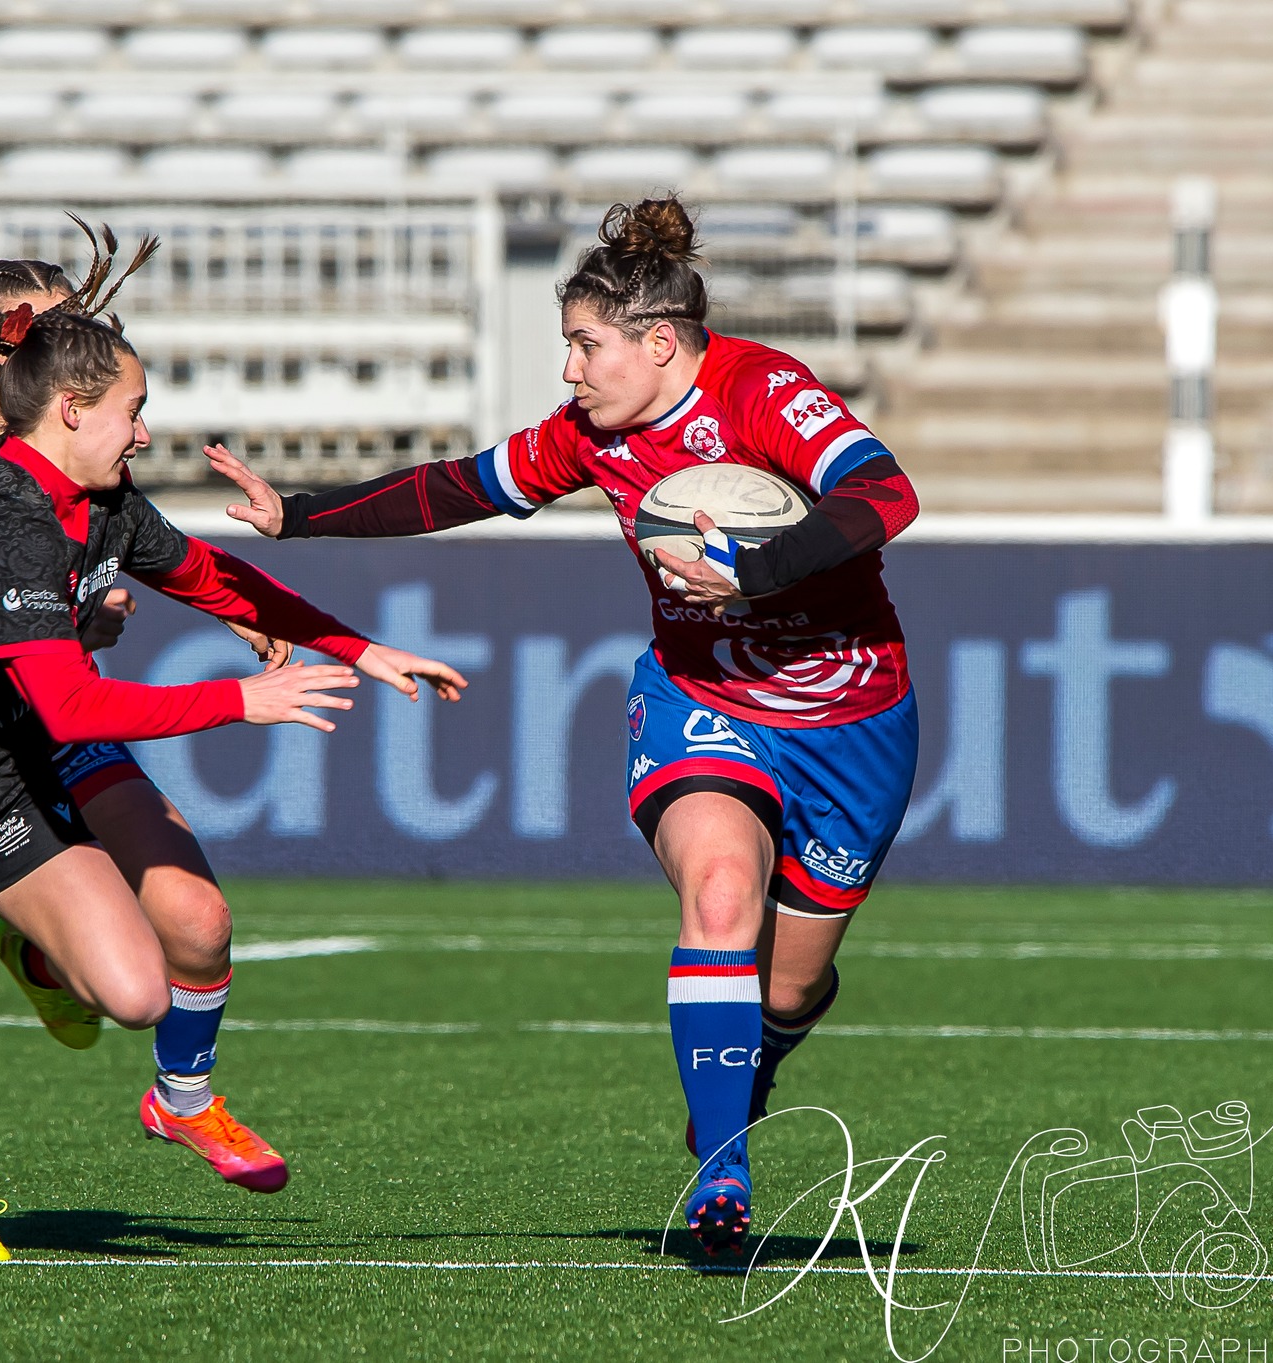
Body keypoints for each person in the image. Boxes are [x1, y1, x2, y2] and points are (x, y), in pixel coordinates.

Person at [202, 196, 920, 1257]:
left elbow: (884, 493)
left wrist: (756, 568)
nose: (570, 371)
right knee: (721, 892)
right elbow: (461, 486)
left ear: (660, 343)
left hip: (853, 720)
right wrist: (298, 513)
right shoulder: (587, 435)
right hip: (702, 701)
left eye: (586, 346)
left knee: (791, 983)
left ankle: (748, 1069)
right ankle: (723, 1172)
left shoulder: (761, 391)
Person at [0, 260, 467, 1261]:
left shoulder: (98, 491)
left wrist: (358, 647)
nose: (146, 433)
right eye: (135, 409)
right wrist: (239, 699)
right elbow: (60, 692)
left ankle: (147, 1060)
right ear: (57, 398)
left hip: (3, 775)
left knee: (145, 983)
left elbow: (206, 574)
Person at [0, 238, 311, 1254]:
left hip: (60, 729)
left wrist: (245, 612)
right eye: (42, 328)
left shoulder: (91, 457)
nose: (71, 339)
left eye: (77, 319)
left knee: (198, 920)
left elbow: (156, 557)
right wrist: (82, 623)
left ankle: (182, 1096)